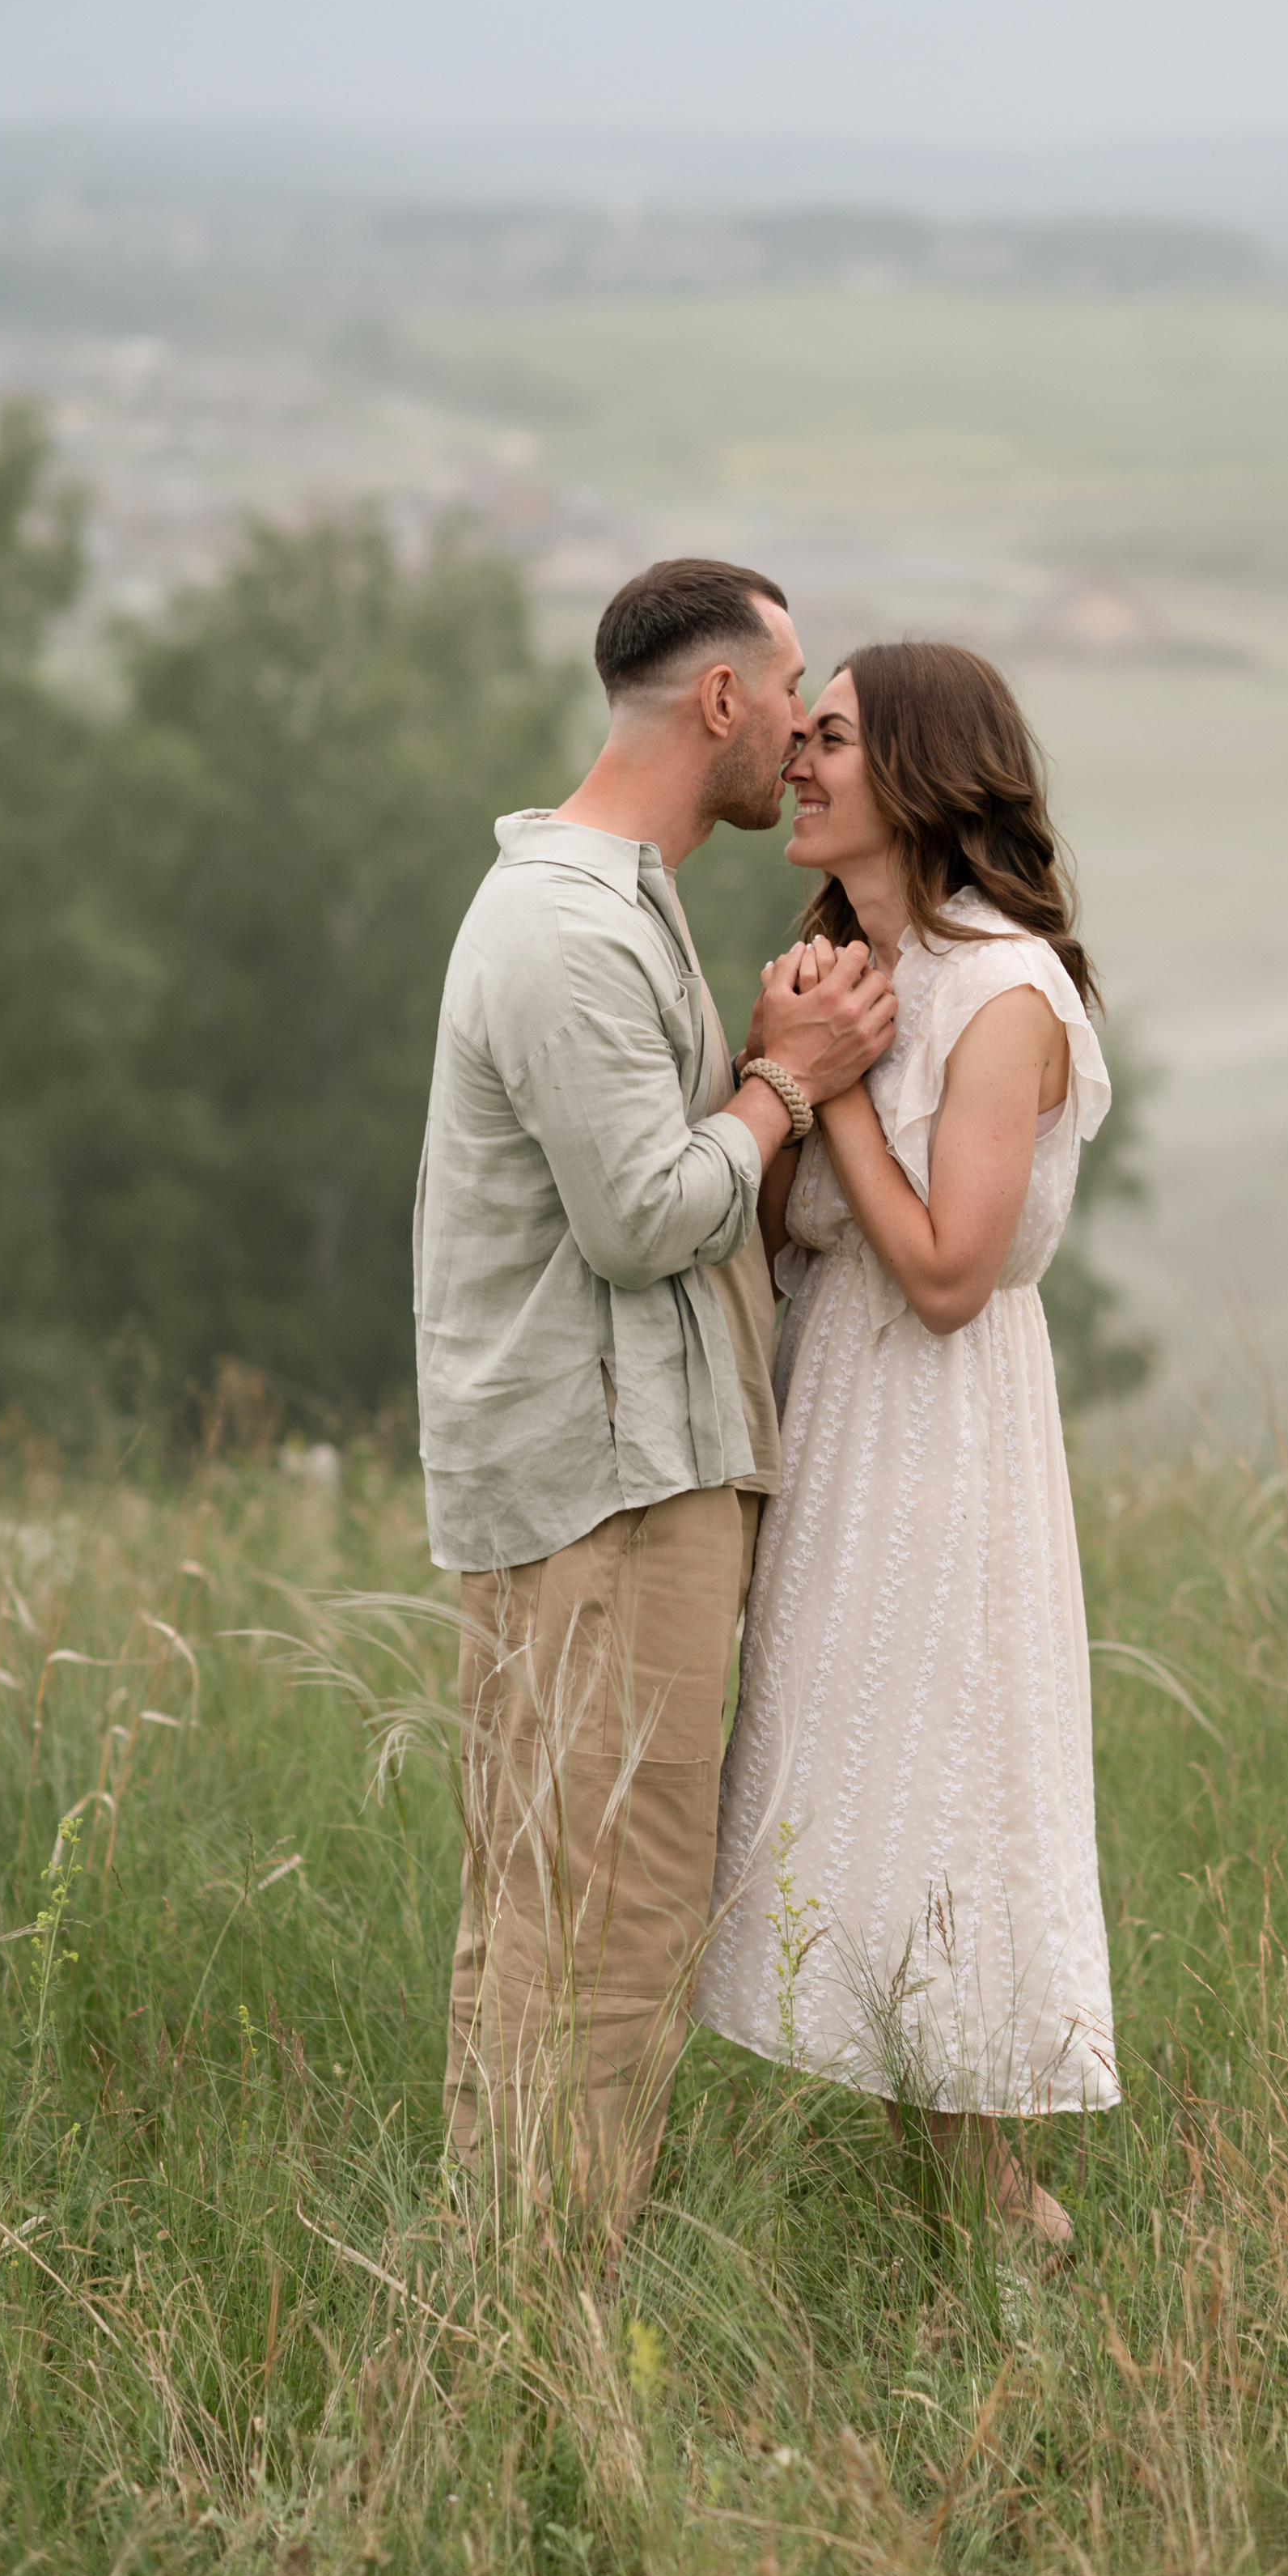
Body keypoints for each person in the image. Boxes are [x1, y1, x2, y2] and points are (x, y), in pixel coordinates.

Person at [413, 557, 896, 2240]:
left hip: (621, 1473)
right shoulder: (560, 925)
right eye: (791, 690)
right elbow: (639, 1218)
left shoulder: (615, 898)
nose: (802, 729)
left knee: (559, 1898)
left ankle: (512, 2277)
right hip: (602, 1492)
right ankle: (548, 2301)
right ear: (717, 701)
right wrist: (788, 1080)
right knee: (604, 1914)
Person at [693, 641, 1119, 2251]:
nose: (794, 763)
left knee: (940, 1803)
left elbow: (946, 1271)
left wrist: (840, 1092)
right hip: (840, 1430)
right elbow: (795, 1226)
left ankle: (1017, 2226)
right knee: (854, 1817)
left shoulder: (1004, 994)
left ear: (922, 771)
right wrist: (788, 1064)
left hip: (945, 1449)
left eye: (829, 740)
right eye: (796, 737)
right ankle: (961, 2219)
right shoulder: (846, 966)